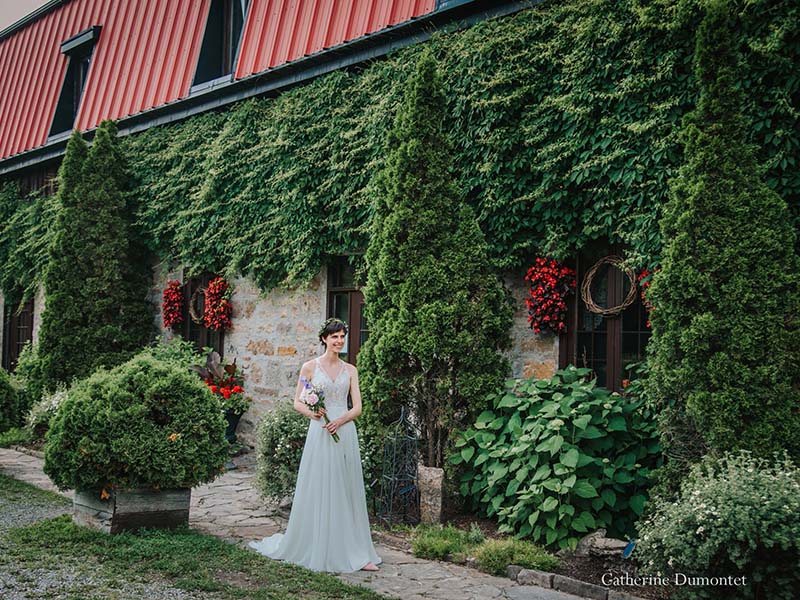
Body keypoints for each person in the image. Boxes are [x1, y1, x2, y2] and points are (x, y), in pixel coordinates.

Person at [249, 318, 381, 573]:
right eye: (335, 337)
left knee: (346, 487)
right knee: (322, 485)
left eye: (342, 337)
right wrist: (314, 413)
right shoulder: (310, 368)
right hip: (320, 431)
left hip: (344, 431)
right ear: (324, 339)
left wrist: (340, 420)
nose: (339, 341)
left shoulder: (350, 370)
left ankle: (355, 550)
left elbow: (358, 407)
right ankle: (318, 544)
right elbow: (297, 402)